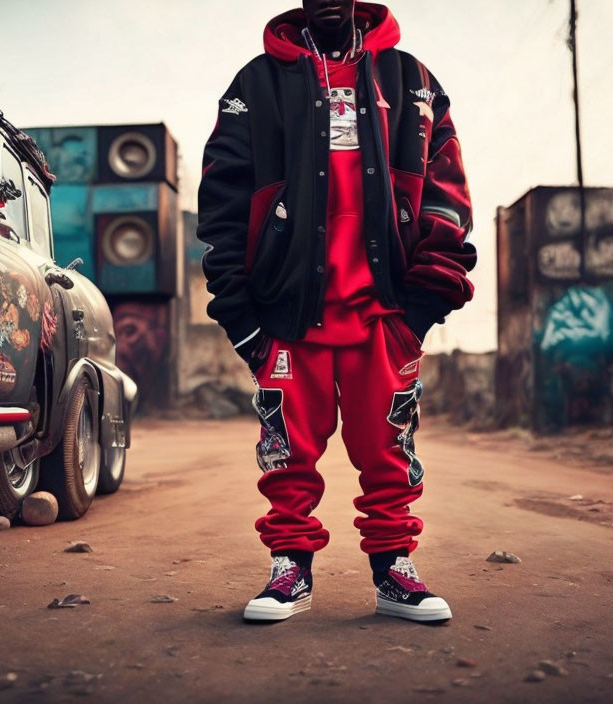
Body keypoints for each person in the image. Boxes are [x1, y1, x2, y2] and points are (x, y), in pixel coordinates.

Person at [197, 0, 475, 623]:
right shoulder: (256, 85)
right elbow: (220, 206)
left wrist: (422, 310)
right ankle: (288, 570)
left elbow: (447, 196)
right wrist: (243, 321)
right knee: (287, 452)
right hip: (288, 315)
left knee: (389, 449)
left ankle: (395, 570)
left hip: (385, 317)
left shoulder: (413, 82)